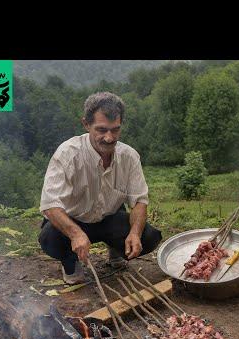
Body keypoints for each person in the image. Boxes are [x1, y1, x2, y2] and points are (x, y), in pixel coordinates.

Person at [38, 92, 162, 284]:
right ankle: (70, 262)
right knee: (49, 239)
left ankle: (116, 249)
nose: (109, 137)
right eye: (101, 129)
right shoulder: (67, 154)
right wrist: (76, 234)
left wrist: (135, 233)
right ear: (86, 124)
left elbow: (139, 200)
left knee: (149, 237)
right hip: (74, 220)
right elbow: (50, 204)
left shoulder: (129, 157)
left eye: (115, 130)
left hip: (108, 219)